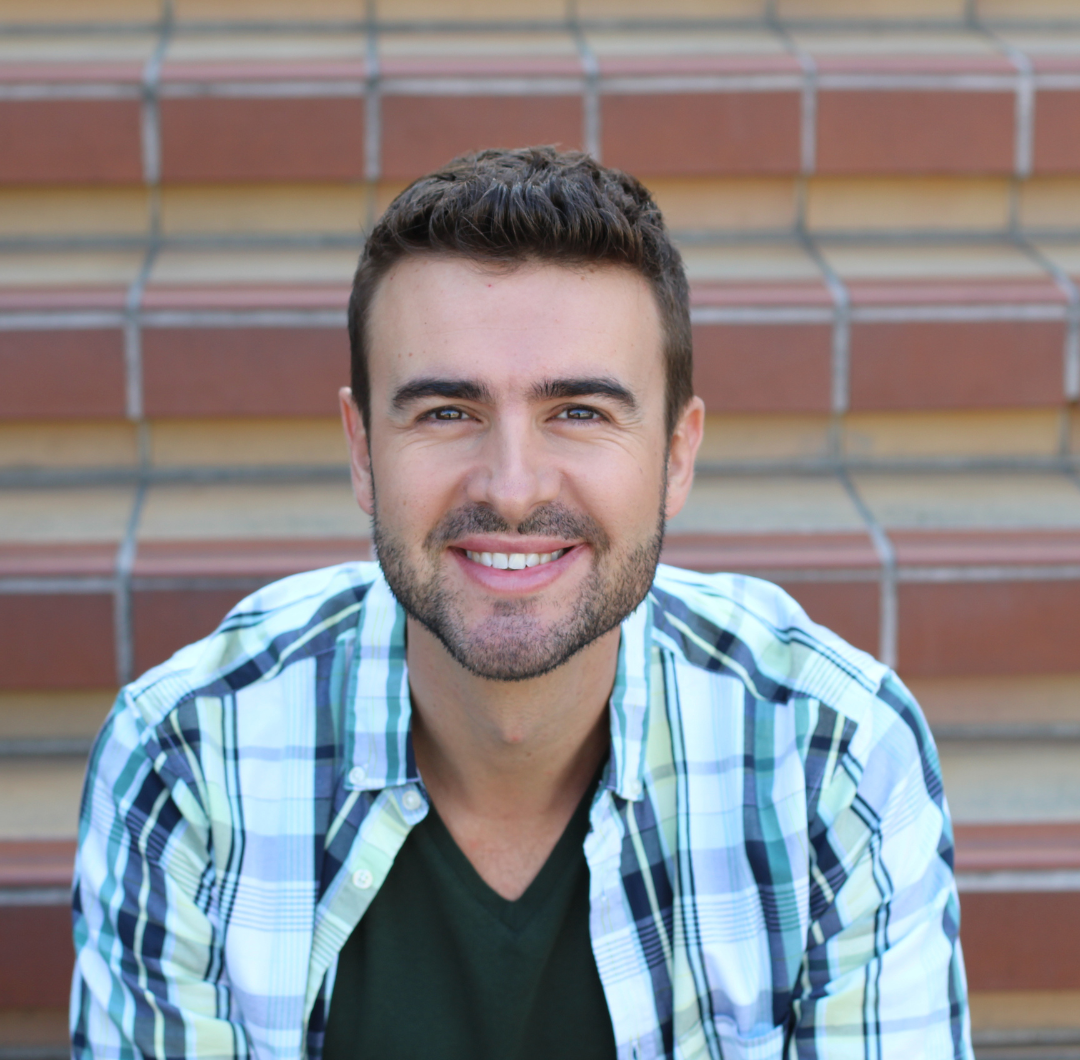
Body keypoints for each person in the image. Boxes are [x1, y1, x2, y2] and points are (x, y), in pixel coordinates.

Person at [71, 146, 971, 1060]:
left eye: (579, 412)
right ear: (362, 450)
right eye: (445, 412)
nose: (509, 487)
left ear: (677, 453)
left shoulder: (830, 757)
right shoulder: (189, 758)